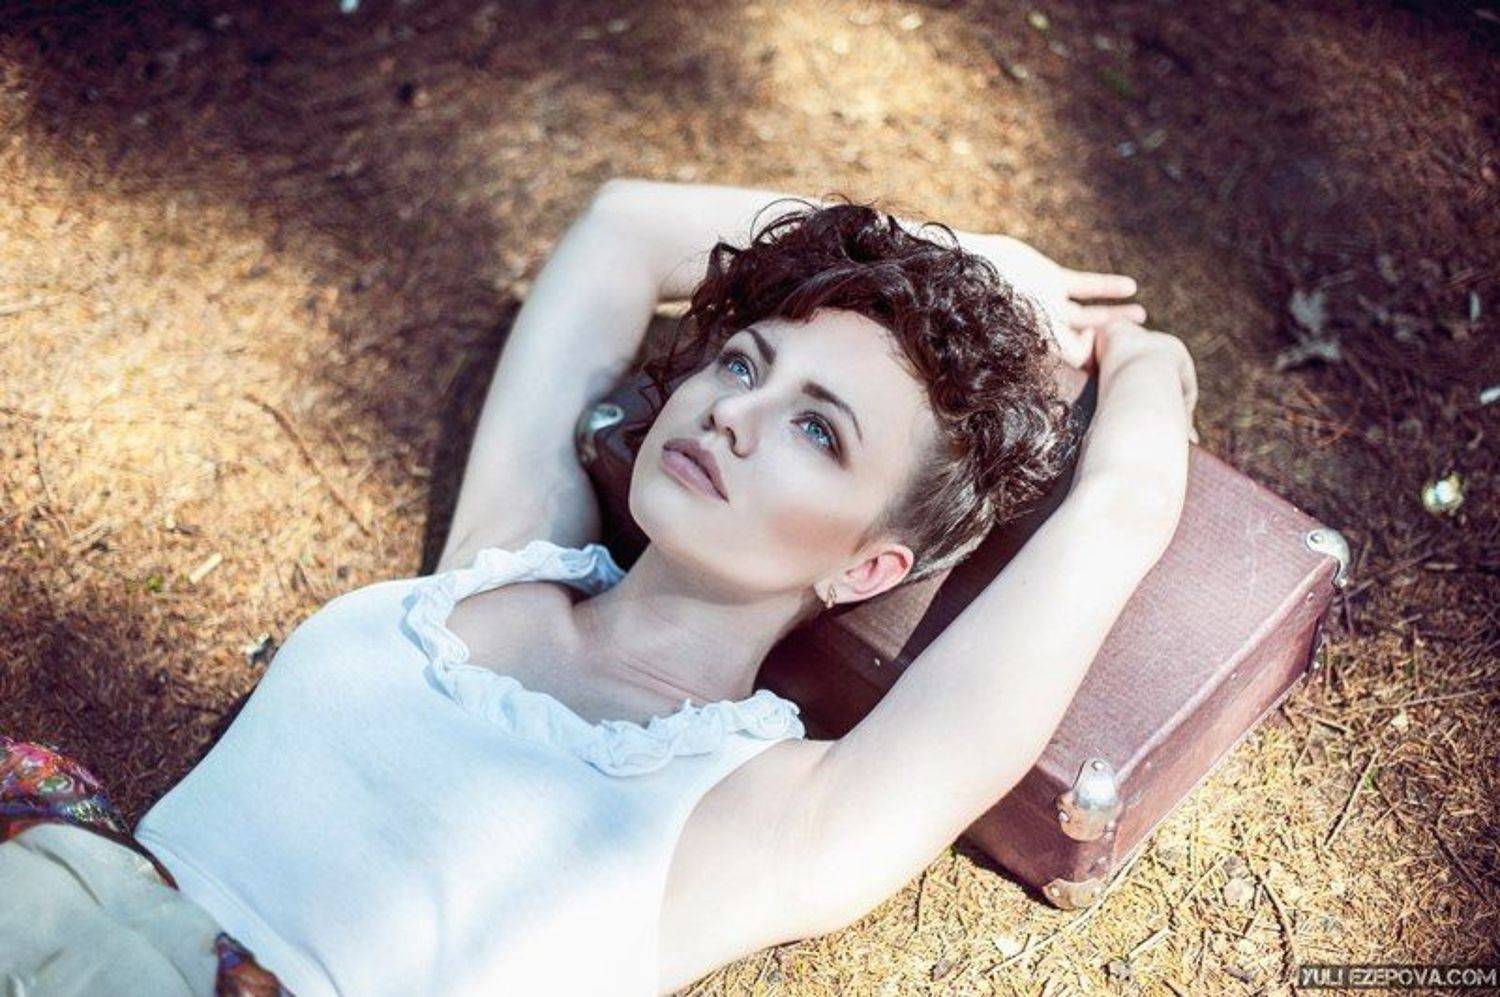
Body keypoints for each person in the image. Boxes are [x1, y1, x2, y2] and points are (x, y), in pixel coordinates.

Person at [3, 178, 1195, 995]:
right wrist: (955, 254)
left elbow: (1118, 517)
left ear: (869, 566)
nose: (732, 412)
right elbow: (624, 228)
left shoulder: (765, 818)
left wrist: (1142, 356)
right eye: (745, 364)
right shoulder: (502, 562)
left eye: (817, 431)